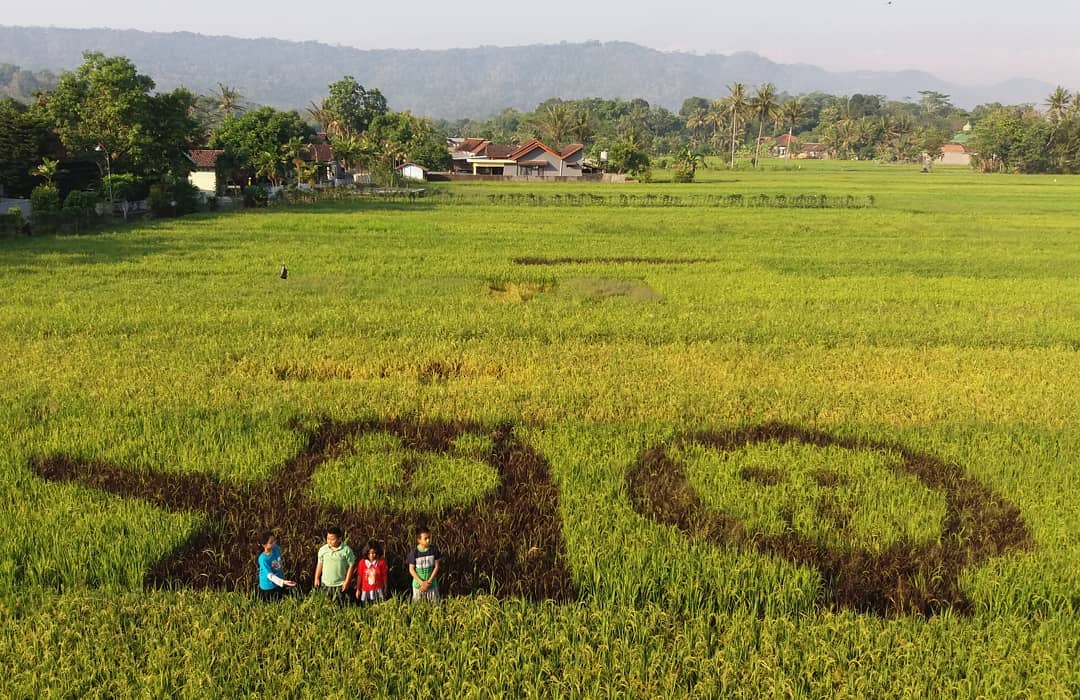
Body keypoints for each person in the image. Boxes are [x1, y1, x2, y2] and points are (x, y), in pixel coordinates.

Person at [314, 526, 356, 603]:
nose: (329, 541)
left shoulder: (346, 550)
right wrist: (316, 578)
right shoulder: (323, 550)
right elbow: (320, 564)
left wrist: (347, 581)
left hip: (340, 584)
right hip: (326, 584)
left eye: (332, 539)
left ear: (339, 539)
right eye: (328, 539)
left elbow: (351, 565)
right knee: (326, 605)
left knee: (341, 605)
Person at [256, 531, 297, 601]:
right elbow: (270, 576)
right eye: (271, 542)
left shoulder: (276, 549)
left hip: (279, 581)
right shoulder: (263, 559)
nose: (274, 543)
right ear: (264, 545)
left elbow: (279, 564)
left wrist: (282, 580)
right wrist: (283, 582)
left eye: (274, 541)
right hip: (268, 586)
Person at [406, 526, 441, 603]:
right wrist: (422, 583)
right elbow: (411, 569)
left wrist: (428, 582)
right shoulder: (414, 553)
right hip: (418, 586)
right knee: (418, 607)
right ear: (419, 540)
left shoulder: (433, 550)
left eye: (429, 537)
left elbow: (437, 566)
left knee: (435, 605)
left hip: (432, 584)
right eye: (425, 538)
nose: (428, 540)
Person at [356, 539, 388, 605]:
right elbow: (360, 576)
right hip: (366, 590)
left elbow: (384, 576)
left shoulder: (381, 562)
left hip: (378, 590)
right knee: (365, 606)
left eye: (373, 553)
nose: (371, 555)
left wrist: (385, 587)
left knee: (378, 605)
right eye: (369, 553)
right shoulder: (362, 562)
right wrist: (358, 589)